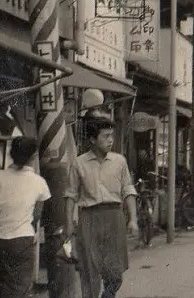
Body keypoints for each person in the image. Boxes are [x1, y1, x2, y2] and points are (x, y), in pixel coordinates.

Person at [65, 116, 137, 298]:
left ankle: (108, 295)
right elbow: (71, 195)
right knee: (89, 268)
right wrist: (69, 224)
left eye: (112, 136)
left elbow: (128, 190)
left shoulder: (119, 161)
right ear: (92, 140)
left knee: (115, 270)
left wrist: (133, 219)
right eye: (105, 136)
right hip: (89, 218)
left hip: (114, 217)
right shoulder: (79, 163)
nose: (110, 140)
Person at [0, 136, 51, 298]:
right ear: (33, 157)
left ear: (12, 154)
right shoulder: (39, 182)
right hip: (22, 240)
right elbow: (37, 214)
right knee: (20, 288)